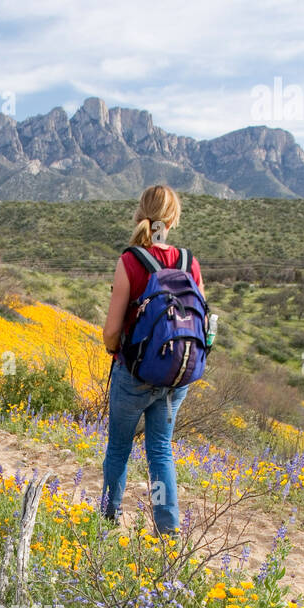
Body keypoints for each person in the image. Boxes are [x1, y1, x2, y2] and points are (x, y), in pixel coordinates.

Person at [101, 184, 205, 530]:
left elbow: (111, 330)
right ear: (173, 219)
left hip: (134, 373)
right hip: (175, 375)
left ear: (140, 213)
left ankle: (109, 520)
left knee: (118, 449)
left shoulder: (131, 261)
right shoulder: (190, 263)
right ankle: (167, 527)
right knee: (160, 451)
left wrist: (114, 351)